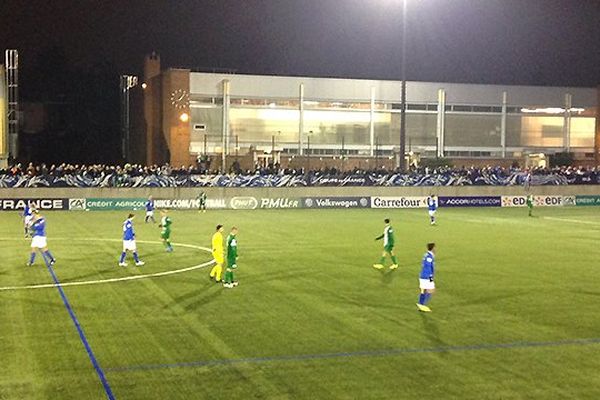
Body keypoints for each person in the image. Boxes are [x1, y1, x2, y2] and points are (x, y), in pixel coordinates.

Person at [416, 243, 436, 312]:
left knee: (423, 290)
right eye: (435, 248)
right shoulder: (429, 257)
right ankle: (422, 305)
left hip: (423, 276)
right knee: (431, 290)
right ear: (432, 248)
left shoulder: (426, 255)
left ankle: (420, 304)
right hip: (427, 276)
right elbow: (428, 266)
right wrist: (431, 277)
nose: (435, 249)